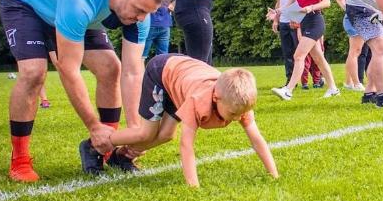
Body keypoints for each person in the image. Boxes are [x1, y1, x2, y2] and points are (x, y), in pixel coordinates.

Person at [0, 0, 167, 182]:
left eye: (147, 13)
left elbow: (133, 71)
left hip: (75, 10)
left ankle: (104, 149)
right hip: (26, 0)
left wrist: (135, 131)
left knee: (111, 68)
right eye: (139, 10)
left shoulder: (139, 15)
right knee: (34, 73)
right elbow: (69, 69)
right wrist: (93, 126)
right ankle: (20, 159)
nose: (141, 18)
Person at [78, 54, 278, 186]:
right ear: (216, 98)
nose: (237, 119)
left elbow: (256, 139)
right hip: (162, 71)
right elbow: (187, 146)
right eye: (233, 114)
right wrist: (194, 187)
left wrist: (274, 175)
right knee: (146, 132)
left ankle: (121, 157)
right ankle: (94, 146)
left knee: (166, 134)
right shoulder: (198, 101)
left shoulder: (239, 104)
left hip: (181, 81)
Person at [271, 0, 340, 100]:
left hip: (315, 21)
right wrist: (278, 11)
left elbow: (327, 2)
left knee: (298, 55)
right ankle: (333, 88)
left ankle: (288, 91)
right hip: (304, 22)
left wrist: (311, 7)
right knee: (319, 58)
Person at [12, 0, 52, 109]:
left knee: (53, 65)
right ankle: (43, 99)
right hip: (29, 29)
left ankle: (43, 99)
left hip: (45, 27)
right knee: (33, 69)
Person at [335, 0, 369, 91]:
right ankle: (356, 83)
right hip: (354, 19)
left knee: (355, 51)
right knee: (355, 51)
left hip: (357, 18)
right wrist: (347, 8)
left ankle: (349, 82)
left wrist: (346, 7)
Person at [270, 0, 298, 86]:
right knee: (287, 52)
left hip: (295, 19)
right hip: (283, 20)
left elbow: (299, 0)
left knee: (300, 51)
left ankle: (315, 79)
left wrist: (295, 17)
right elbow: (279, 0)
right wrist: (276, 19)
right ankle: (290, 80)